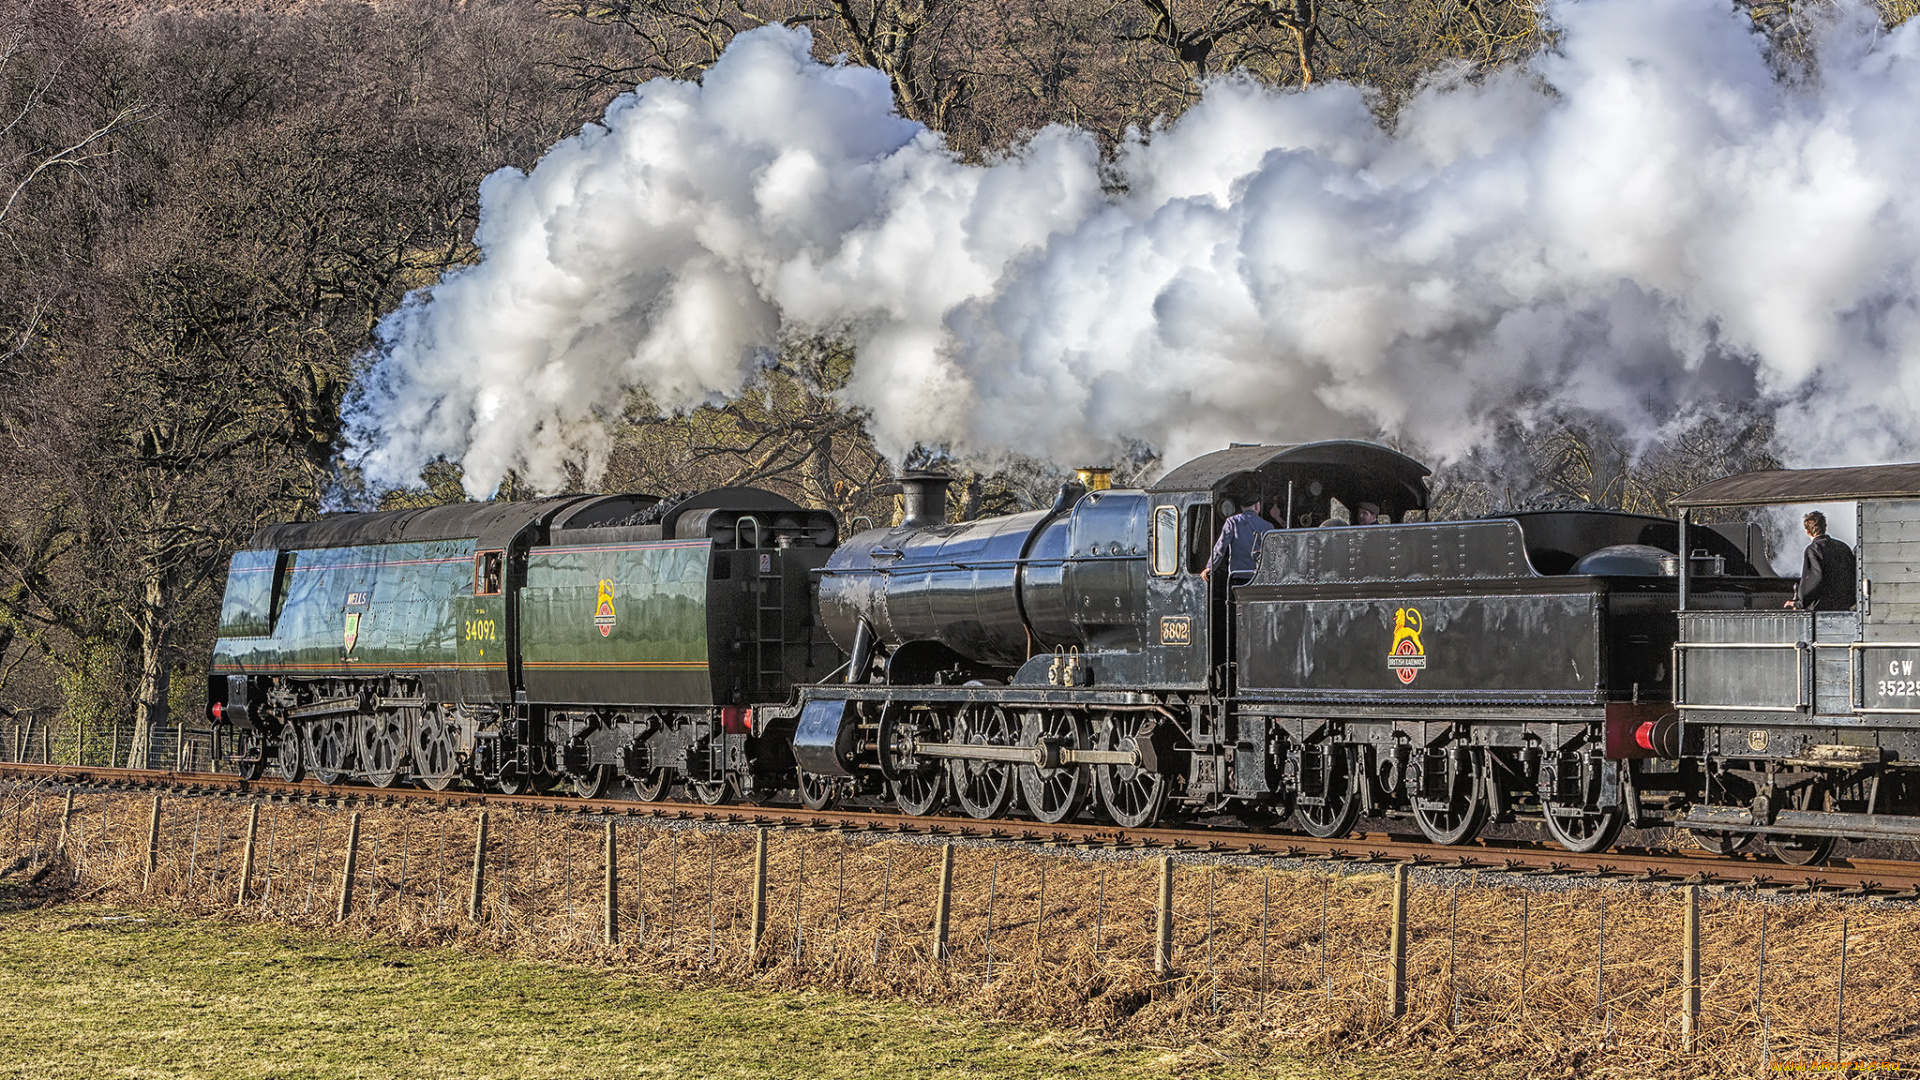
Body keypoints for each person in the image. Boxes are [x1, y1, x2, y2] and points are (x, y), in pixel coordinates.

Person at [1785, 510, 1857, 611]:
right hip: (1845, 607)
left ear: (1807, 531)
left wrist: (1799, 603)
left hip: (1822, 609)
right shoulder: (1843, 547)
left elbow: (1813, 579)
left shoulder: (1813, 550)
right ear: (1825, 527)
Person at [1202, 495, 1275, 583]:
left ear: (1241, 507)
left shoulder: (1232, 522)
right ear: (1257, 505)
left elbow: (1221, 547)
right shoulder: (1268, 526)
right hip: (1260, 577)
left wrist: (1210, 567)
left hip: (1237, 576)